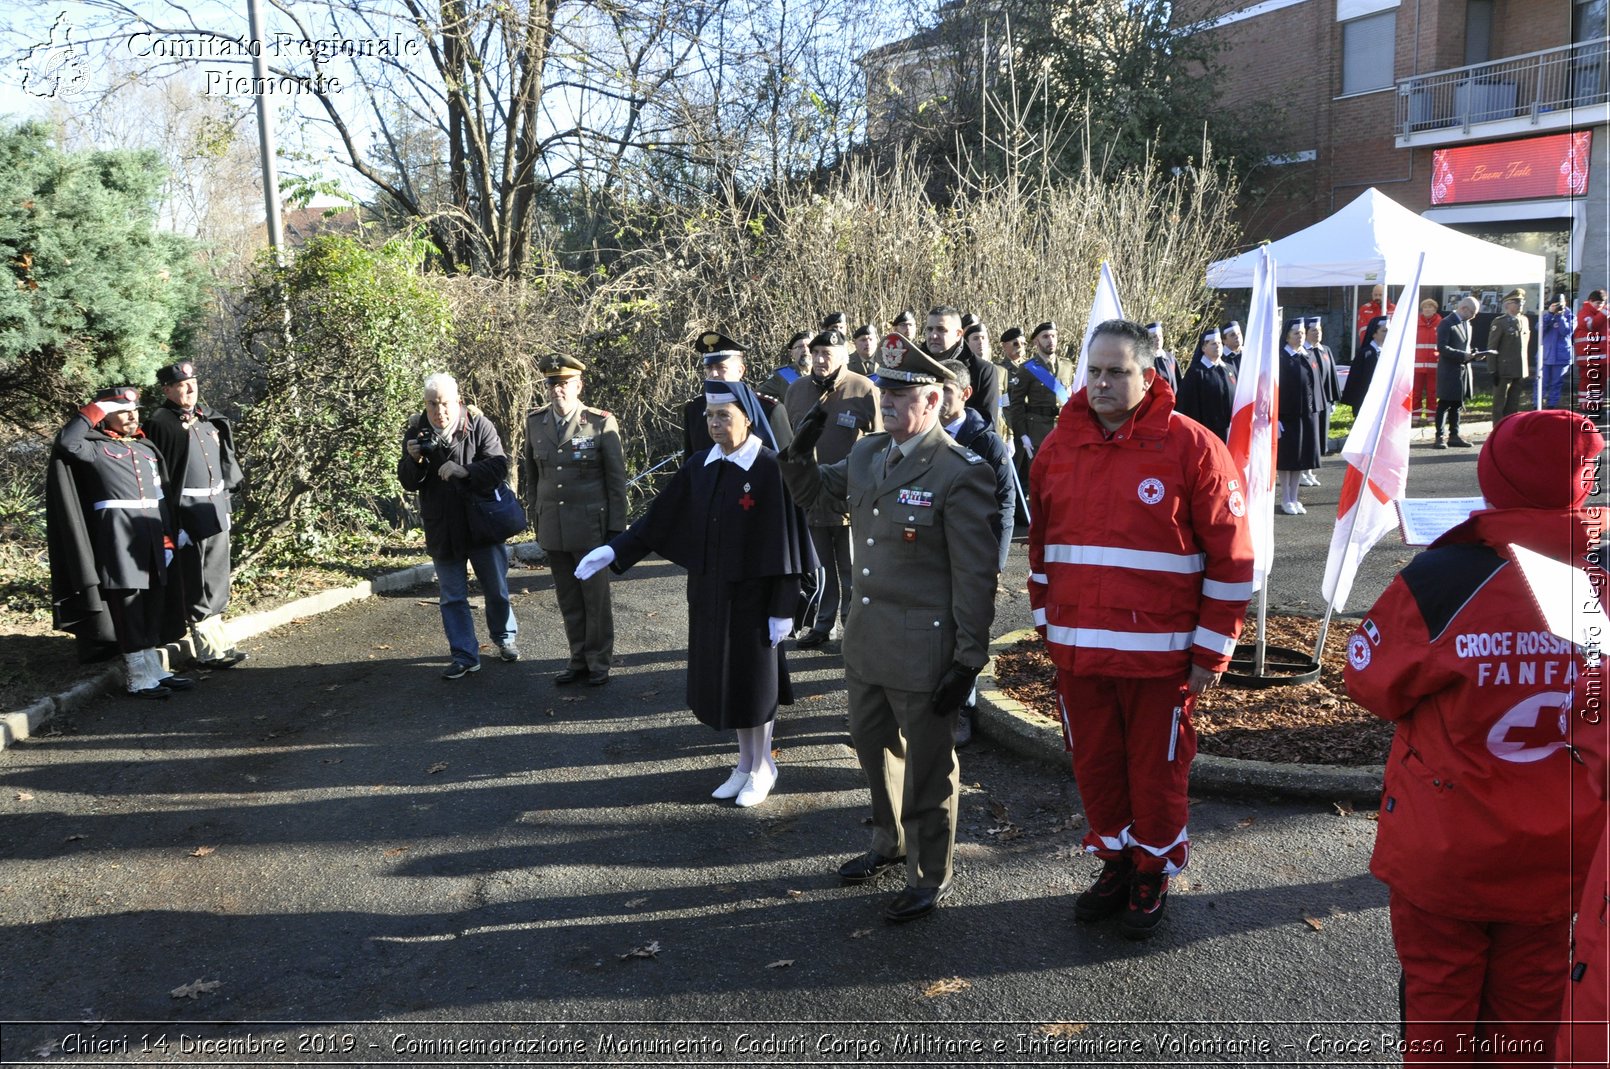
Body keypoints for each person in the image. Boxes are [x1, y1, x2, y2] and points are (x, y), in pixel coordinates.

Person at [1344, 409, 1606, 1065]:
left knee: (1438, 1018)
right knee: (1529, 1022)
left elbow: (1370, 682)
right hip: (1561, 855)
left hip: (1446, 852)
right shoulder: (1599, 583)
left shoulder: (1445, 578)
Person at [1027, 318, 1252, 940]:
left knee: (1156, 772)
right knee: (1096, 765)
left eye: (1117, 372)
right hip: (1080, 654)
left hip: (1162, 658)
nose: (1101, 383)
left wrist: (1211, 650)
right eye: (1093, 371)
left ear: (1148, 376)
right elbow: (1041, 548)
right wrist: (1048, 625)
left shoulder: (1193, 447)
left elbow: (1233, 560)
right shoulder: (1058, 445)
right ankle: (1116, 859)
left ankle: (1152, 867)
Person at [780, 334, 999, 922]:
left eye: (904, 395)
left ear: (933, 401)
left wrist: (968, 659)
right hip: (869, 636)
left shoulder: (960, 471)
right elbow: (819, 497)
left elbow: (975, 576)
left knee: (927, 766)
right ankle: (888, 840)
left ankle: (929, 872)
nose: (890, 403)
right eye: (886, 391)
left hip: (924, 648)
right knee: (874, 753)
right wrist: (796, 458)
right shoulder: (868, 453)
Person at [576, 380, 816, 808]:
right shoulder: (701, 465)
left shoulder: (767, 467)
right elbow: (659, 518)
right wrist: (615, 549)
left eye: (724, 415)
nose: (714, 424)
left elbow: (786, 545)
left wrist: (784, 607)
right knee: (729, 683)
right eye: (709, 416)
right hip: (710, 596)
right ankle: (744, 764)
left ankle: (764, 767)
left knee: (756, 686)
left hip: (756, 602)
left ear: (746, 416)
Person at [47, 386, 193, 698]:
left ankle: (155, 669)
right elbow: (66, 442)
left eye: (134, 410)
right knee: (129, 606)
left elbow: (161, 497)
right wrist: (95, 408)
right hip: (117, 536)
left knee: (154, 603)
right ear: (105, 417)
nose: (131, 416)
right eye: (122, 411)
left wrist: (169, 536)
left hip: (154, 536)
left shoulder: (145, 449)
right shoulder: (94, 448)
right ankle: (138, 676)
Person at [398, 373, 518, 680]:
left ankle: (505, 638)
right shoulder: (416, 430)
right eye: (432, 404)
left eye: (445, 403)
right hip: (443, 527)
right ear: (425, 404)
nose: (440, 411)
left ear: (458, 401)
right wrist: (413, 461)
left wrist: (464, 470)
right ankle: (465, 655)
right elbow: (408, 482)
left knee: (496, 589)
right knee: (452, 597)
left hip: (482, 524)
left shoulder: (479, 425)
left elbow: (498, 466)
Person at [522, 354, 627, 686]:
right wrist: (536, 515)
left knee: (595, 598)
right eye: (552, 384)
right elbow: (531, 477)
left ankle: (599, 662)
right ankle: (578, 658)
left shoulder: (599, 422)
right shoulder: (535, 422)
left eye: (564, 384)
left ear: (578, 385)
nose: (558, 390)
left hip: (590, 526)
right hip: (554, 524)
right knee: (568, 597)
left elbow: (615, 480)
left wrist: (615, 529)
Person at [142, 360, 247, 670]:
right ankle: (207, 648)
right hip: (187, 513)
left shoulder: (205, 419)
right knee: (194, 578)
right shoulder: (161, 423)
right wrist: (174, 522)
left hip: (214, 508)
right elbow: (161, 477)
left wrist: (225, 505)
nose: (190, 389)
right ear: (167, 390)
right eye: (181, 386)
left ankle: (221, 641)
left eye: (193, 384)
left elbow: (222, 466)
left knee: (216, 575)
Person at [783, 328, 881, 648]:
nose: (820, 360)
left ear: (844, 356)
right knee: (820, 568)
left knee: (853, 569)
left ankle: (854, 628)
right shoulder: (795, 391)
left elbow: (881, 443)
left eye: (827, 354)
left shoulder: (864, 390)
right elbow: (788, 443)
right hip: (810, 496)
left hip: (851, 495)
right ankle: (823, 625)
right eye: (816, 353)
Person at [938, 357, 1013, 748]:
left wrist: (996, 563)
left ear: (965, 394)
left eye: (947, 390)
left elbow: (1005, 505)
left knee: (969, 632)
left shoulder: (985, 440)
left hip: (975, 556)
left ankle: (964, 706)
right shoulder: (926, 432)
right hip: (936, 554)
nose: (938, 397)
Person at [682, 331, 792, 457]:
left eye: (720, 367)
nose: (714, 374)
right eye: (709, 368)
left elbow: (788, 465)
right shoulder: (694, 409)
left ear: (740, 370)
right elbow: (690, 465)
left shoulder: (768, 409)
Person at [1276, 318, 1324, 514]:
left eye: (1302, 332)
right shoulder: (1281, 358)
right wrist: (1276, 417)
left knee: (1300, 459)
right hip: (1287, 417)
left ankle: (1294, 497)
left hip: (1306, 415)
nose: (1300, 336)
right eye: (1296, 333)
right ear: (1286, 336)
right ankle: (1285, 498)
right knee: (1287, 459)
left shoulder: (1307, 355)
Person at [925, 305, 999, 426]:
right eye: (930, 329)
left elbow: (985, 425)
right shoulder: (915, 362)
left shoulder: (982, 370)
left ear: (959, 334)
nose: (933, 335)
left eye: (941, 329)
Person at [1435, 296, 1485, 449]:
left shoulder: (1467, 324)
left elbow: (1464, 346)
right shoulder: (1446, 323)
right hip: (1449, 370)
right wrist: (1462, 355)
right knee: (1444, 403)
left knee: (1457, 403)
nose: (1474, 316)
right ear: (1463, 308)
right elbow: (1442, 348)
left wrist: (1475, 353)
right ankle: (1439, 436)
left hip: (1463, 370)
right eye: (1473, 312)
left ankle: (1454, 435)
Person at [1175, 327, 1237, 441]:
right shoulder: (1195, 373)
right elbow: (1187, 406)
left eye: (1219, 343)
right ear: (1203, 347)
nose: (1218, 346)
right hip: (1207, 433)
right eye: (1213, 344)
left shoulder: (1230, 369)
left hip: (1231, 431)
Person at [1303, 316, 1340, 484]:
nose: (1318, 333)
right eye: (1313, 330)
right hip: (1310, 403)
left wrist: (1332, 400)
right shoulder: (1304, 352)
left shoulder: (1325, 350)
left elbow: (1331, 375)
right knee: (1309, 437)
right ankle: (1303, 470)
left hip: (1324, 401)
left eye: (1319, 330)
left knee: (1319, 437)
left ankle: (1310, 469)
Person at [1488, 289, 1532, 422]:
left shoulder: (1524, 320)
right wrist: (1492, 370)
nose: (1520, 304)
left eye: (1522, 301)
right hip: (1504, 369)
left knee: (1513, 404)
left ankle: (1509, 429)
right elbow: (1492, 347)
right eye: (1516, 302)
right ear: (1507, 304)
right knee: (1499, 404)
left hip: (1519, 369)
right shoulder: (1500, 322)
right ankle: (1497, 430)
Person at [1341, 316, 1388, 412]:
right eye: (1384, 330)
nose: (1388, 333)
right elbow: (1355, 380)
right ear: (1374, 333)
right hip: (1367, 401)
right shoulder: (1365, 354)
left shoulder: (1389, 352)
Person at [1574, 289, 1607, 416]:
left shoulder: (1603, 314)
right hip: (1588, 356)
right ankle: (1584, 406)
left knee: (1599, 383)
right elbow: (1592, 325)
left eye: (1602, 303)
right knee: (1587, 381)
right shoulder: (1584, 313)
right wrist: (1605, 312)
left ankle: (1596, 406)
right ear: (1590, 301)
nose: (1600, 306)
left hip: (1602, 356)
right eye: (1597, 303)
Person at [1541, 294, 1575, 409]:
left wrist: (1560, 316)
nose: (1559, 306)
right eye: (1556, 304)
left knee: (1556, 383)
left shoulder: (1571, 317)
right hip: (1546, 355)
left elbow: (1566, 331)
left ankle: (1552, 406)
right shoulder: (1546, 316)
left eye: (1561, 304)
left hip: (1561, 356)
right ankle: (1537, 404)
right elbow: (1539, 329)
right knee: (1541, 382)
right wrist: (1550, 314)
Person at [756, 331, 811, 402]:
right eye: (800, 347)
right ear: (792, 353)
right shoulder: (784, 374)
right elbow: (758, 396)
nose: (805, 350)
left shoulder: (823, 371)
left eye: (809, 346)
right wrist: (777, 410)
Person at [1412, 298, 1442, 421]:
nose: (1427, 309)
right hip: (1417, 365)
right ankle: (1415, 416)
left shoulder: (1441, 323)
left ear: (1435, 309)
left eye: (1430, 307)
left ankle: (1432, 416)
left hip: (1434, 365)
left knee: (1432, 392)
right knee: (1415, 392)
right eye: (1425, 307)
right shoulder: (1415, 323)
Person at [1145, 322, 1179, 391]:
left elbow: (1179, 383)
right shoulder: (1144, 360)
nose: (1158, 339)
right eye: (1154, 337)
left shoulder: (1170, 358)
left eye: (1160, 336)